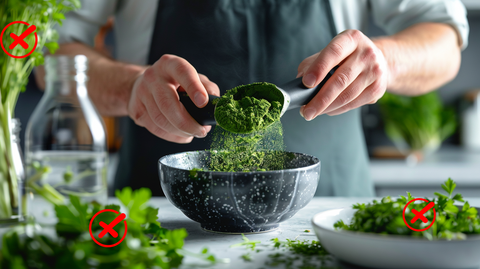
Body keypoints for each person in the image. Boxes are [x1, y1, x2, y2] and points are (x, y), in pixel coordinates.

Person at [35, 0, 469, 197]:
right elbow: (47, 51)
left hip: (326, 212)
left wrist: (387, 59)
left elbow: (443, 41)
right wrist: (132, 87)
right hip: (162, 214)